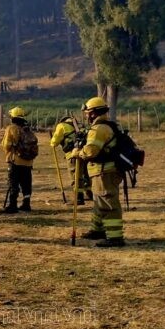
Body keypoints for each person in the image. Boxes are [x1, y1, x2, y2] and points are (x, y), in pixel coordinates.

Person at [70, 97, 126, 247]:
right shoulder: (106, 126)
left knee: (108, 203)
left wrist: (77, 152)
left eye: (88, 112)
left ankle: (115, 238)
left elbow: (90, 152)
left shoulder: (99, 129)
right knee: (99, 202)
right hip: (101, 172)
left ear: (94, 113)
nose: (86, 116)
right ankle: (98, 230)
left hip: (104, 172)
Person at [1, 107, 38, 213]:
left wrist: (8, 151)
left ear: (12, 117)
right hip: (28, 161)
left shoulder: (11, 128)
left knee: (13, 183)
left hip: (15, 160)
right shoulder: (27, 129)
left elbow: (6, 145)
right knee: (26, 183)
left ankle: (12, 205)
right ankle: (26, 204)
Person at [50, 116, 92, 204]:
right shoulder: (79, 126)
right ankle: (90, 194)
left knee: (75, 176)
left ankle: (79, 198)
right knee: (85, 174)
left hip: (72, 154)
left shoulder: (62, 126)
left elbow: (54, 142)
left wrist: (52, 141)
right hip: (84, 153)